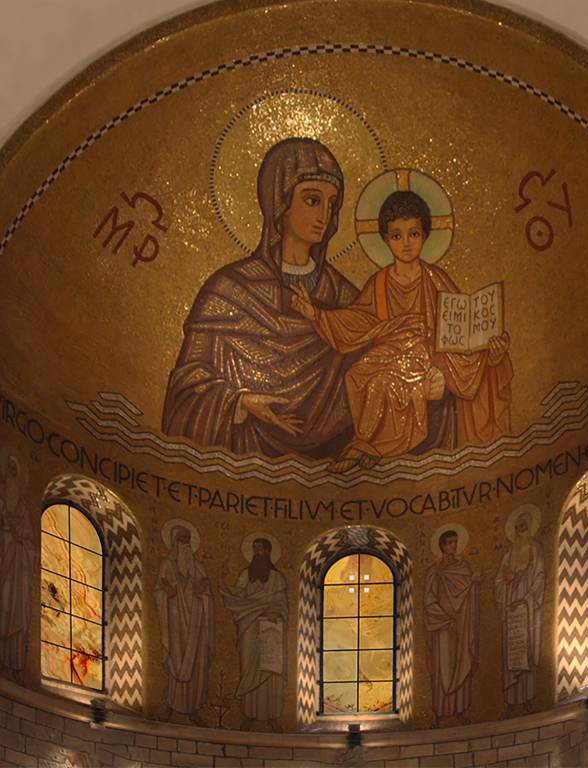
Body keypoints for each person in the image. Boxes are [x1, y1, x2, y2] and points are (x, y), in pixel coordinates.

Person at [162, 138, 358, 458]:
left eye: (332, 204)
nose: (325, 214)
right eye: (312, 200)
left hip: (334, 472)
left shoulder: (343, 296)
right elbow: (188, 387)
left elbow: (382, 368)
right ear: (279, 202)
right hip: (242, 462)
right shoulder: (229, 291)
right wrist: (239, 403)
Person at [291, 190, 513, 472]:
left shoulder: (436, 280)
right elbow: (359, 320)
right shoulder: (380, 283)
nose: (406, 244)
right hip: (388, 352)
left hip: (425, 355)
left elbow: (461, 331)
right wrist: (316, 314)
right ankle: (370, 446)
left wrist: (488, 352)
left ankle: (369, 448)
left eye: (414, 234)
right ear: (385, 239)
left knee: (386, 382)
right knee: (357, 375)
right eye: (397, 235)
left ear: (425, 236)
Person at [221, 538, 288, 732]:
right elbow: (236, 595)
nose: (257, 553)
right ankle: (249, 714)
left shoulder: (277, 578)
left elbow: (282, 603)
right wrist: (222, 582)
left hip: (271, 626)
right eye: (254, 549)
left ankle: (272, 716)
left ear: (268, 552)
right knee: (249, 665)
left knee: (270, 669)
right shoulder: (246, 575)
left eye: (260, 549)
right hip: (249, 625)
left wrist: (275, 612)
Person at [155, 524, 215, 726]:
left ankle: (193, 709)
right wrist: (167, 592)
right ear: (174, 541)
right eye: (181, 539)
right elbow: (159, 590)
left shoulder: (198, 568)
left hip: (197, 623)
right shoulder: (167, 565)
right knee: (176, 658)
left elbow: (208, 595)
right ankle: (171, 706)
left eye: (188, 539)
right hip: (175, 622)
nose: (185, 543)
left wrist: (202, 593)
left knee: (196, 663)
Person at [423, 529, 482, 727]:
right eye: (449, 543)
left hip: (462, 625)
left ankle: (460, 710)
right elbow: (429, 600)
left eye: (455, 542)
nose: (454, 546)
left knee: (461, 661)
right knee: (443, 669)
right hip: (442, 627)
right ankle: (440, 713)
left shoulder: (464, 568)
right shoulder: (434, 571)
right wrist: (443, 617)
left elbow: (470, 593)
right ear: (442, 546)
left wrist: (475, 584)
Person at [494, 510, 544, 714]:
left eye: (523, 527)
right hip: (511, 611)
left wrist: (526, 598)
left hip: (527, 608)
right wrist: (506, 581)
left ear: (529, 529)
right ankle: (512, 702)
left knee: (527, 652)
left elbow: (540, 576)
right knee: (512, 655)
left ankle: (529, 700)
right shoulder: (508, 556)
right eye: (517, 528)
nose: (520, 532)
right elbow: (498, 582)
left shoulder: (535, 550)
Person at [0, 452, 32, 683]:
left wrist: (15, 533)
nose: (11, 477)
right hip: (4, 562)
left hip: (16, 566)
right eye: (8, 472)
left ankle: (12, 663)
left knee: (14, 612)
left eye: (14, 473)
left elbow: (28, 539)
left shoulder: (22, 508)